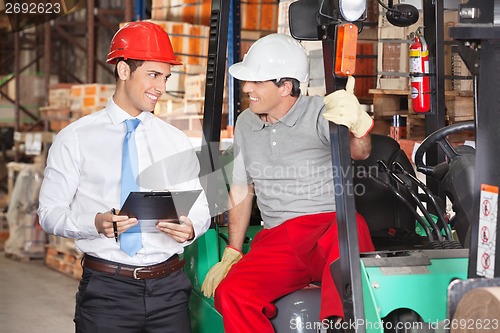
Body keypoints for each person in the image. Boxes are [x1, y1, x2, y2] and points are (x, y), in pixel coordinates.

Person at [38, 21, 211, 333]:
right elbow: (50, 213)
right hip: (107, 293)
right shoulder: (75, 138)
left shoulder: (175, 140)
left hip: (169, 290)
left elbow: (199, 206)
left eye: (166, 77)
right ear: (123, 70)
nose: (161, 86)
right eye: (153, 75)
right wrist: (94, 223)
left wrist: (190, 227)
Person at [200, 33, 376, 332]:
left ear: (285, 86)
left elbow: (361, 152)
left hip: (329, 227)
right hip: (280, 237)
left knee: (350, 247)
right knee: (233, 294)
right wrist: (233, 249)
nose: (247, 89)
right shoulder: (245, 122)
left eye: (257, 83)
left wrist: (357, 121)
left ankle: (343, 325)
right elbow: (243, 189)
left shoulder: (321, 111)